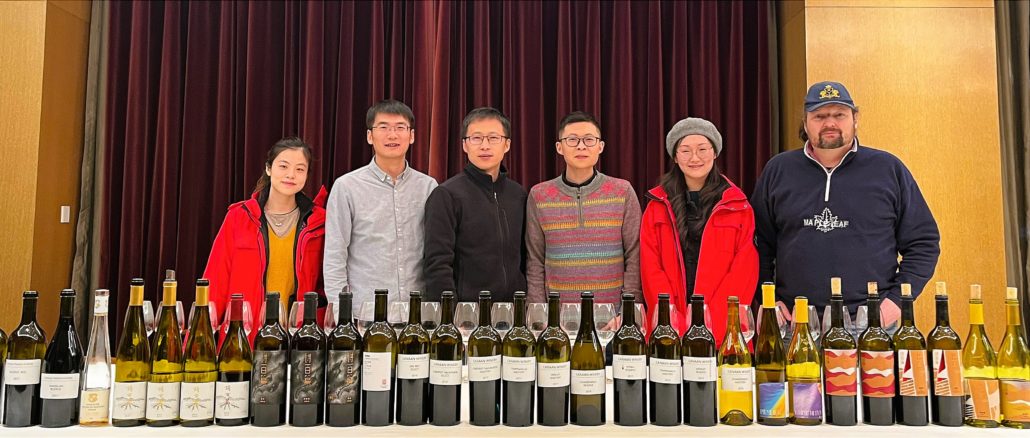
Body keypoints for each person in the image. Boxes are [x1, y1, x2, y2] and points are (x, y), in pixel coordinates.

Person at [751, 81, 940, 328]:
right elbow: (757, 246)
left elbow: (923, 243)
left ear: (855, 119)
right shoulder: (778, 170)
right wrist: (768, 300)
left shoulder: (887, 169)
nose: (830, 123)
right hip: (795, 324)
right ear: (805, 123)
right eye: (819, 116)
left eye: (839, 115)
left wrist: (896, 302)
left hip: (871, 325)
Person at [639, 118, 758, 343]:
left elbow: (743, 272)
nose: (695, 158)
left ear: (715, 153)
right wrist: (672, 322)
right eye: (685, 150)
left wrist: (710, 326)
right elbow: (651, 269)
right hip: (669, 331)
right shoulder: (657, 206)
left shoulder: (738, 206)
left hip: (724, 332)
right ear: (675, 157)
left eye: (702, 149)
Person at [204, 137, 327, 341]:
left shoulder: (319, 222)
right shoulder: (239, 217)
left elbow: (327, 285)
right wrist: (199, 340)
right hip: (244, 337)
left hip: (297, 339)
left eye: (300, 169)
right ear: (269, 169)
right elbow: (216, 281)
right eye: (283, 166)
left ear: (307, 175)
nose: (291, 175)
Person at [323, 99, 438, 313]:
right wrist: (341, 315)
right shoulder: (347, 187)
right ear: (370, 136)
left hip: (418, 314)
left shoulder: (428, 187)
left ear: (411, 136)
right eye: (383, 127)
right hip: (365, 314)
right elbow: (335, 256)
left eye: (400, 127)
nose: (392, 135)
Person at [525, 111, 642, 306]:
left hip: (612, 315)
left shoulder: (622, 191)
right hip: (556, 317)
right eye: (572, 140)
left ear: (600, 146)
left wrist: (627, 313)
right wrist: (540, 313)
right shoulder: (539, 195)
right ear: (559, 147)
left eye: (589, 139)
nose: (581, 146)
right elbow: (534, 260)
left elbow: (635, 256)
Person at [423, 107, 527, 303]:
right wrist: (450, 314)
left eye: (493, 138)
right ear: (465, 145)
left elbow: (525, 257)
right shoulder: (446, 195)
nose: (484, 146)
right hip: (467, 312)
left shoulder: (518, 194)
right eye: (476, 138)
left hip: (513, 311)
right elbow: (437, 264)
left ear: (507, 144)